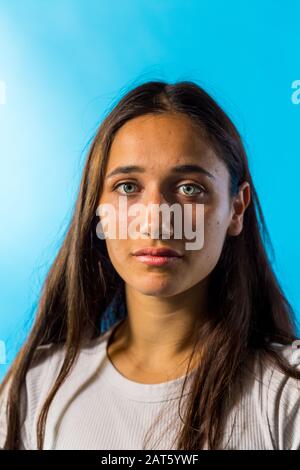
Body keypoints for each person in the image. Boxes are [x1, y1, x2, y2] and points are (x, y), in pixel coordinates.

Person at [1, 80, 300, 450]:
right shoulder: (36, 387)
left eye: (190, 188)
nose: (156, 221)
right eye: (128, 187)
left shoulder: (289, 393)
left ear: (236, 207)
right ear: (97, 208)